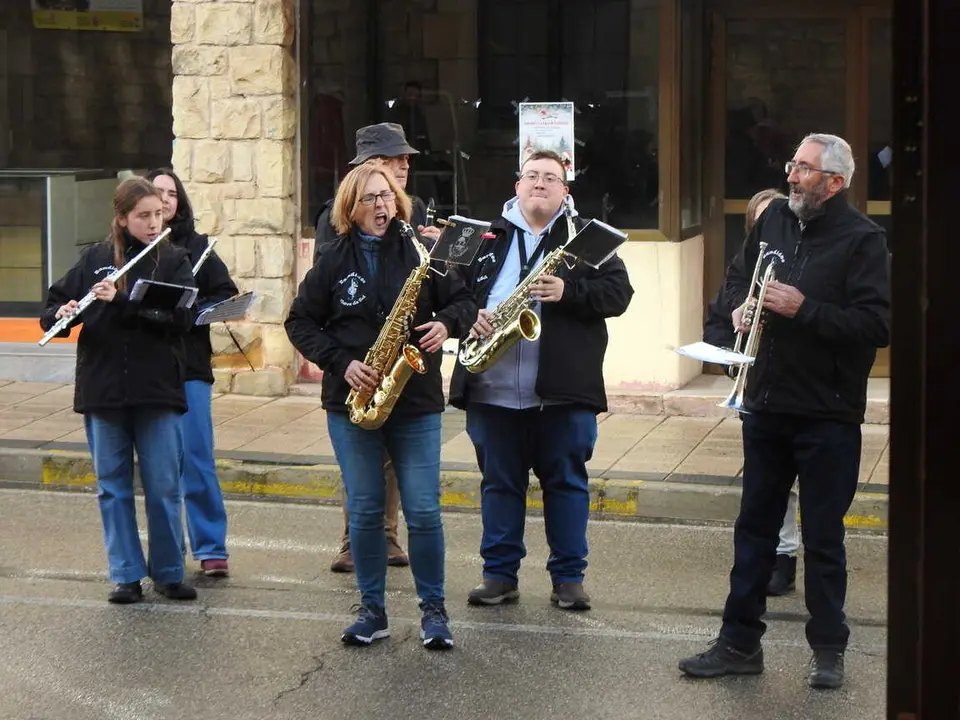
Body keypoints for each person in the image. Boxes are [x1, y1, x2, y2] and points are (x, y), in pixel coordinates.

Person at [679, 133, 890, 689]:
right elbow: (735, 285)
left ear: (835, 183)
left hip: (827, 414)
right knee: (753, 532)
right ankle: (738, 643)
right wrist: (737, 317)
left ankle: (828, 649)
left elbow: (876, 325)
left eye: (803, 169)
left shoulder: (864, 241)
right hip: (766, 404)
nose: (791, 176)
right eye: (793, 165)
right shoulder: (774, 222)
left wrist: (805, 308)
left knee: (823, 539)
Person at [285, 160, 476, 649]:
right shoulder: (331, 258)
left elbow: (464, 301)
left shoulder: (421, 251)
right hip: (354, 398)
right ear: (351, 207)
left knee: (425, 510)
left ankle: (434, 611)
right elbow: (300, 322)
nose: (381, 205)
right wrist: (341, 363)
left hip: (414, 399)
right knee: (367, 510)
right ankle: (373, 609)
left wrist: (447, 324)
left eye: (387, 196)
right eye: (370, 198)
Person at [449, 149, 634, 611]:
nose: (540, 183)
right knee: (498, 485)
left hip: (563, 392)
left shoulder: (586, 238)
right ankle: (499, 575)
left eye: (551, 178)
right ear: (517, 186)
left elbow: (618, 294)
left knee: (567, 484)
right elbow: (448, 296)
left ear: (564, 192)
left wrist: (568, 291)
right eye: (531, 175)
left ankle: (568, 579)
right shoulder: (484, 237)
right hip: (491, 388)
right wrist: (470, 315)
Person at [39, 177, 199, 604]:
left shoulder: (172, 260)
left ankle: (168, 571)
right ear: (123, 218)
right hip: (103, 387)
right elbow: (50, 309)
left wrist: (123, 302)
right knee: (112, 485)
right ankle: (125, 573)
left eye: (158, 214)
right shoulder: (94, 259)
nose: (153, 222)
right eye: (143, 216)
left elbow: (182, 318)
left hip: (156, 387)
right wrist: (64, 311)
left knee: (163, 484)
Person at [313, 122, 442, 574]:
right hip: (359, 360)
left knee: (394, 463)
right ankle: (356, 540)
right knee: (364, 464)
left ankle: (387, 537)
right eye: (395, 159)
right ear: (369, 167)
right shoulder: (337, 214)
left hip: (407, 361)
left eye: (406, 159)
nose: (405, 165)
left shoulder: (414, 208)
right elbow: (324, 297)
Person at [704, 188, 800, 597]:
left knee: (799, 487)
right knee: (769, 488)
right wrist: (732, 359)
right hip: (758, 393)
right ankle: (776, 559)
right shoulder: (740, 277)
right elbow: (716, 327)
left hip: (801, 390)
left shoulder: (801, 266)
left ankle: (789, 556)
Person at [146, 168, 239, 578]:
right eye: (157, 192)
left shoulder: (197, 247)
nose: (165, 200)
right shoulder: (128, 249)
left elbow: (225, 293)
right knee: (159, 467)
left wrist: (193, 309)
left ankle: (211, 547)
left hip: (189, 366)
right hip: (145, 370)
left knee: (197, 458)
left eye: (172, 194)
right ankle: (168, 554)